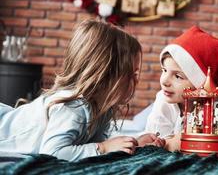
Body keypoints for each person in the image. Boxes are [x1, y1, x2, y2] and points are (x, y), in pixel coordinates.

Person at [0, 19, 164, 161]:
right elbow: (52, 152)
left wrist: (134, 142)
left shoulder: (102, 109)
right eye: (132, 73)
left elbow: (95, 143)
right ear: (106, 75)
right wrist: (103, 148)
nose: (136, 80)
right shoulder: (74, 107)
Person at [144, 25, 218, 151]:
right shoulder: (164, 99)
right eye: (164, 70)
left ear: (199, 85)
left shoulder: (211, 105)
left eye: (178, 76)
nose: (164, 81)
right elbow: (158, 142)